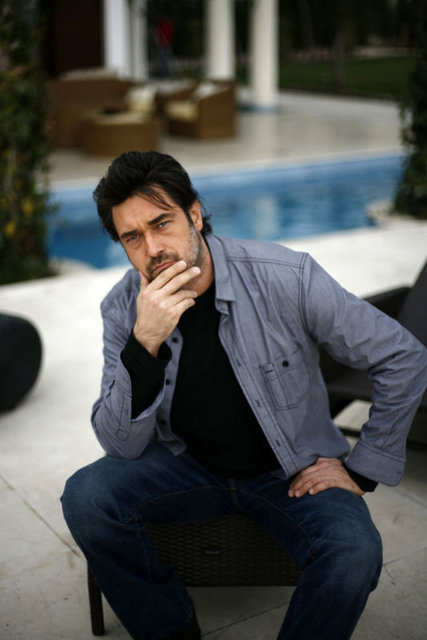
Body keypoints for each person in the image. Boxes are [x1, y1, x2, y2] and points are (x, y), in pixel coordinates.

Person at [62, 151, 427, 640]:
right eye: (133, 237)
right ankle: (170, 629)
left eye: (162, 223)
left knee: (354, 554)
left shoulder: (287, 276)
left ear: (194, 214)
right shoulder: (122, 308)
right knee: (86, 498)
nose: (153, 248)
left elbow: (402, 356)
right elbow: (118, 445)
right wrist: (144, 343)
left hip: (290, 471)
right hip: (184, 465)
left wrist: (364, 466)